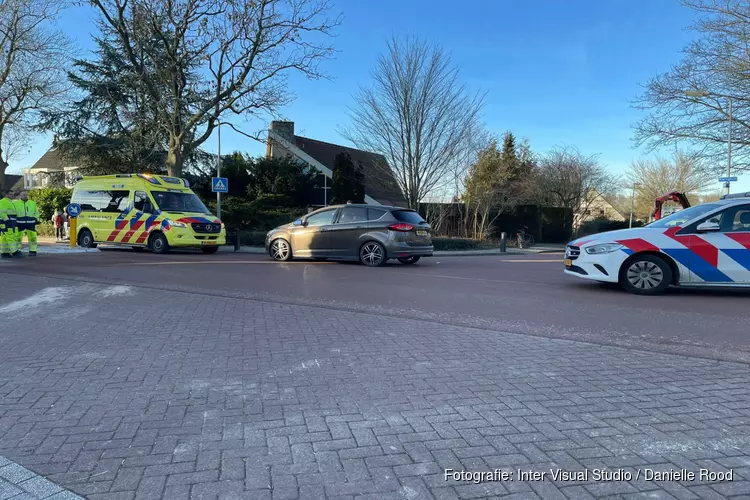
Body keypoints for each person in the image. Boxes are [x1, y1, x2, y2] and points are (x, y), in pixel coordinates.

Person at [15, 191, 38, 256]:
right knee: (18, 237)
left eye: (26, 195)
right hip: (19, 223)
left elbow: (37, 212)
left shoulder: (32, 203)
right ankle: (18, 250)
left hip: (31, 223)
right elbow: (13, 212)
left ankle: (33, 251)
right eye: (23, 195)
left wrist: (36, 219)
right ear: (20, 196)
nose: (25, 196)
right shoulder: (16, 203)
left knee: (32, 237)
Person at [0, 189, 21, 258]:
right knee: (10, 236)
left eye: (13, 194)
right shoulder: (3, 202)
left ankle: (4, 252)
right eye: (11, 194)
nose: (12, 196)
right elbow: (1, 212)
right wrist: (7, 220)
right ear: (6, 195)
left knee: (4, 237)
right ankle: (15, 251)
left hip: (7, 222)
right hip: (7, 222)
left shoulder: (10, 202)